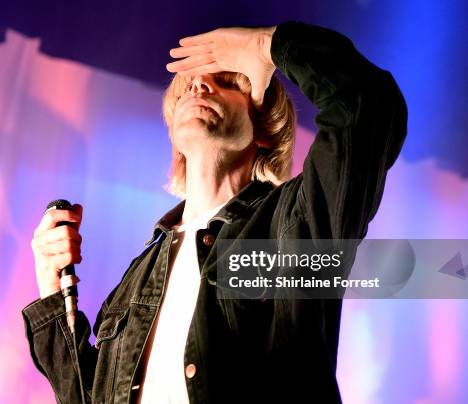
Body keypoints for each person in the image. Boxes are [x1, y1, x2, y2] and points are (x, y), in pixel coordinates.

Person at [22, 21, 408, 403]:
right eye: (189, 85)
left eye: (226, 82)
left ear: (264, 127)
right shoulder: (139, 276)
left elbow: (366, 105)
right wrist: (51, 288)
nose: (199, 85)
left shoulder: (293, 222)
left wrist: (265, 46)